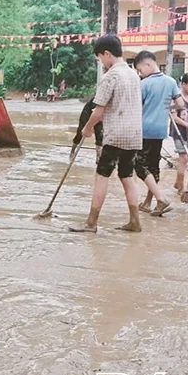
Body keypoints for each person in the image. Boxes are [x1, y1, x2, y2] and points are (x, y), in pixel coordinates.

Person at [69, 35, 146, 233]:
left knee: (101, 176)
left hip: (116, 135)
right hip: (135, 135)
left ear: (107, 54)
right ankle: (135, 221)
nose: (101, 62)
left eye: (100, 58)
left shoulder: (111, 76)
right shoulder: (133, 75)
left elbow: (98, 110)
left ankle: (91, 223)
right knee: (127, 175)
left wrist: (86, 128)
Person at [134, 51, 181, 214]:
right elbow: (180, 104)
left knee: (139, 166)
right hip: (160, 130)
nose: (140, 74)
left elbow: (136, 107)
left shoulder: (144, 84)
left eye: (140, 70)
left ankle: (160, 199)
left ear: (147, 64)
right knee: (153, 167)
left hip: (145, 129)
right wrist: (167, 107)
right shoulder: (171, 81)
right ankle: (148, 203)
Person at [73, 96, 104, 162]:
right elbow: (96, 112)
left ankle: (98, 157)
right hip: (90, 110)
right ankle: (73, 150)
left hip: (101, 112)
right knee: (81, 132)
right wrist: (88, 127)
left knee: (100, 135)